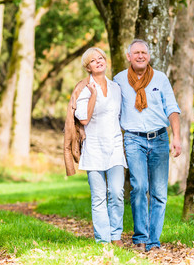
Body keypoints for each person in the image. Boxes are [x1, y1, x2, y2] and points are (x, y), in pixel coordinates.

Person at [113, 39, 182, 252]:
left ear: (149, 56)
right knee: (140, 187)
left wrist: (177, 137)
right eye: (136, 53)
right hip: (133, 139)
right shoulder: (119, 80)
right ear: (129, 56)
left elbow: (172, 108)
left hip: (160, 139)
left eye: (144, 52)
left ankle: (153, 241)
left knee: (159, 192)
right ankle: (140, 237)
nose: (140, 56)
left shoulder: (160, 79)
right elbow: (112, 109)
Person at [64, 47, 126, 246]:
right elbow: (83, 118)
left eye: (100, 58)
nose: (99, 61)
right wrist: (92, 96)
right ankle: (103, 241)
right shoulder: (84, 88)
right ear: (88, 67)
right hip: (94, 148)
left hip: (115, 146)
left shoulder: (116, 87)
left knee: (116, 192)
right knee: (99, 197)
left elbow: (120, 116)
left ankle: (116, 236)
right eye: (93, 60)